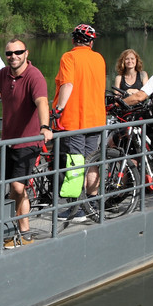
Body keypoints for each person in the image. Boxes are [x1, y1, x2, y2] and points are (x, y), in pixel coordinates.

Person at [0, 38, 51, 248]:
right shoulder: (3, 75)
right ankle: (12, 228)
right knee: (10, 188)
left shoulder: (34, 76)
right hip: (8, 141)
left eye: (18, 52)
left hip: (28, 141)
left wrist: (45, 127)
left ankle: (24, 232)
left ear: (26, 53)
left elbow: (42, 102)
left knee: (18, 187)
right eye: (9, 54)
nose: (13, 57)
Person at [52, 24, 106, 212]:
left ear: (74, 40)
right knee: (91, 161)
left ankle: (77, 209)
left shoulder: (69, 57)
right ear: (91, 42)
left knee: (75, 162)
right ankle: (92, 203)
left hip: (75, 120)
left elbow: (68, 84)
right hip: (96, 119)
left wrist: (58, 109)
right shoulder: (99, 58)